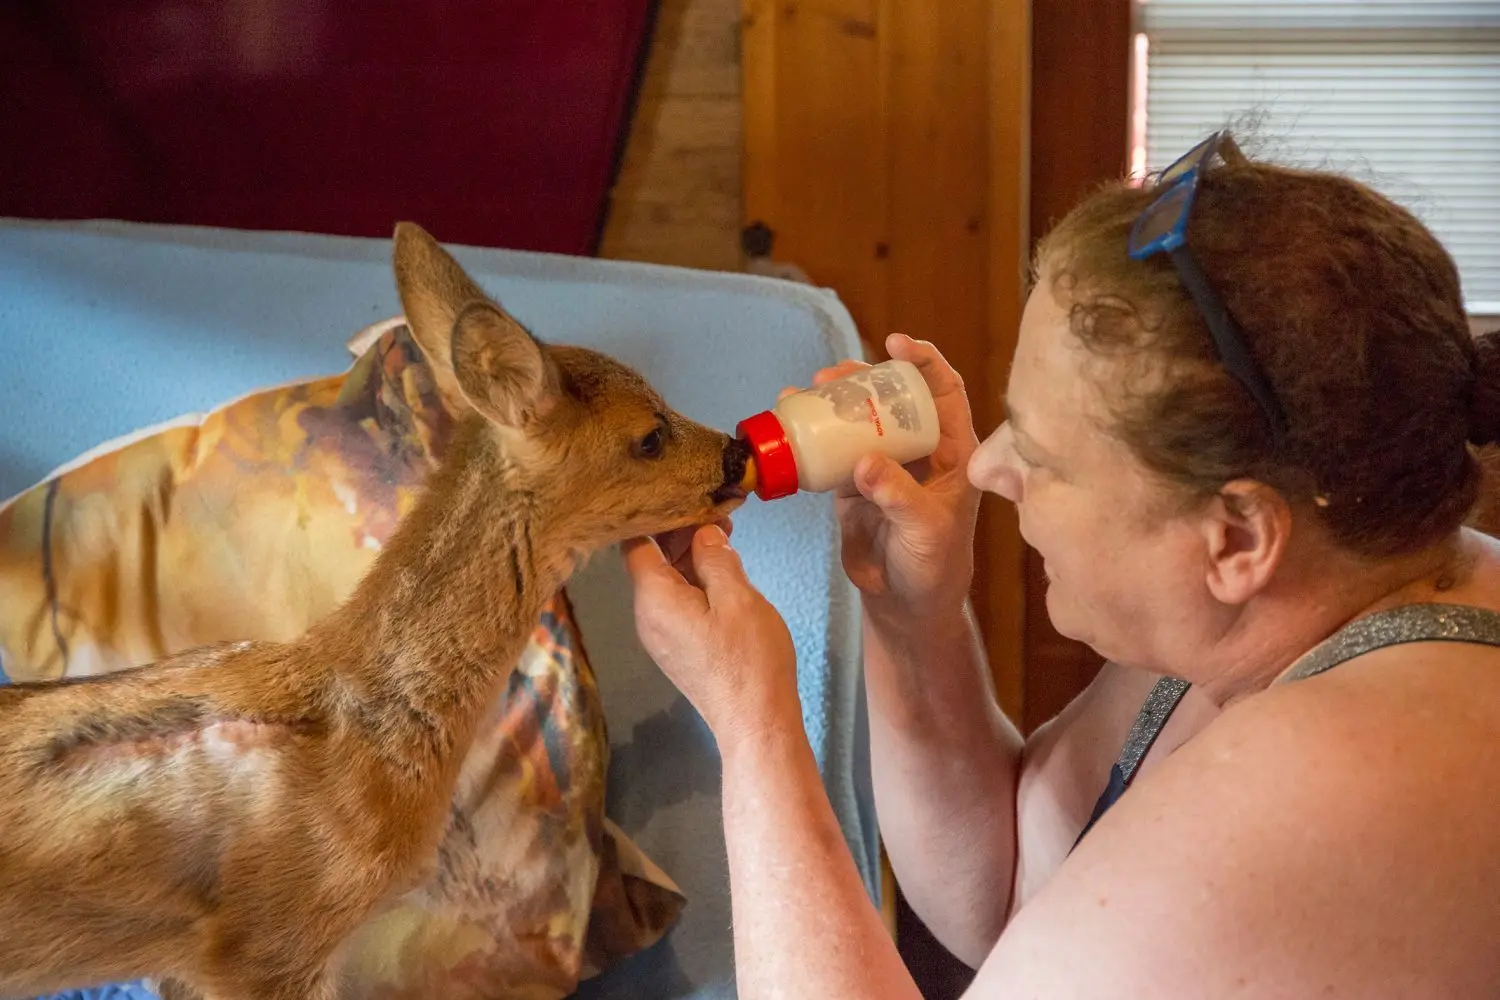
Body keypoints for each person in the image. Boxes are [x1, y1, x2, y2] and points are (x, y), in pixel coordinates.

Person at [622, 130, 1500, 998]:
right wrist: (912, 616)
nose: (990, 467)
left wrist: (754, 727)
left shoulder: (1320, 785)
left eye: (1043, 456)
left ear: (1236, 537)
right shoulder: (1312, 594)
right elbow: (1004, 893)